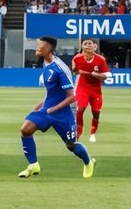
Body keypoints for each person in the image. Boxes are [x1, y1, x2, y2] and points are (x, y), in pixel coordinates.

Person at [18, 36, 94, 179]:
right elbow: (51, 91)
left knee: (71, 145)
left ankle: (88, 161)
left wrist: (53, 109)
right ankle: (33, 165)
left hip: (63, 113)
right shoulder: (45, 64)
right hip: (47, 109)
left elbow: (72, 96)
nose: (37, 50)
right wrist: (41, 105)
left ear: (49, 50)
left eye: (40, 48)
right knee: (25, 130)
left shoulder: (59, 69)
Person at [71, 38, 110, 141]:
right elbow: (75, 71)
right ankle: (78, 133)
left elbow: (106, 76)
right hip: (82, 87)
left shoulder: (100, 59)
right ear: (82, 46)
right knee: (80, 109)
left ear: (94, 47)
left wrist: (96, 75)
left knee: (96, 112)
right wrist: (77, 71)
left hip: (96, 89)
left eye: (90, 43)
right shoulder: (77, 59)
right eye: (85, 43)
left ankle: (92, 133)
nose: (88, 45)